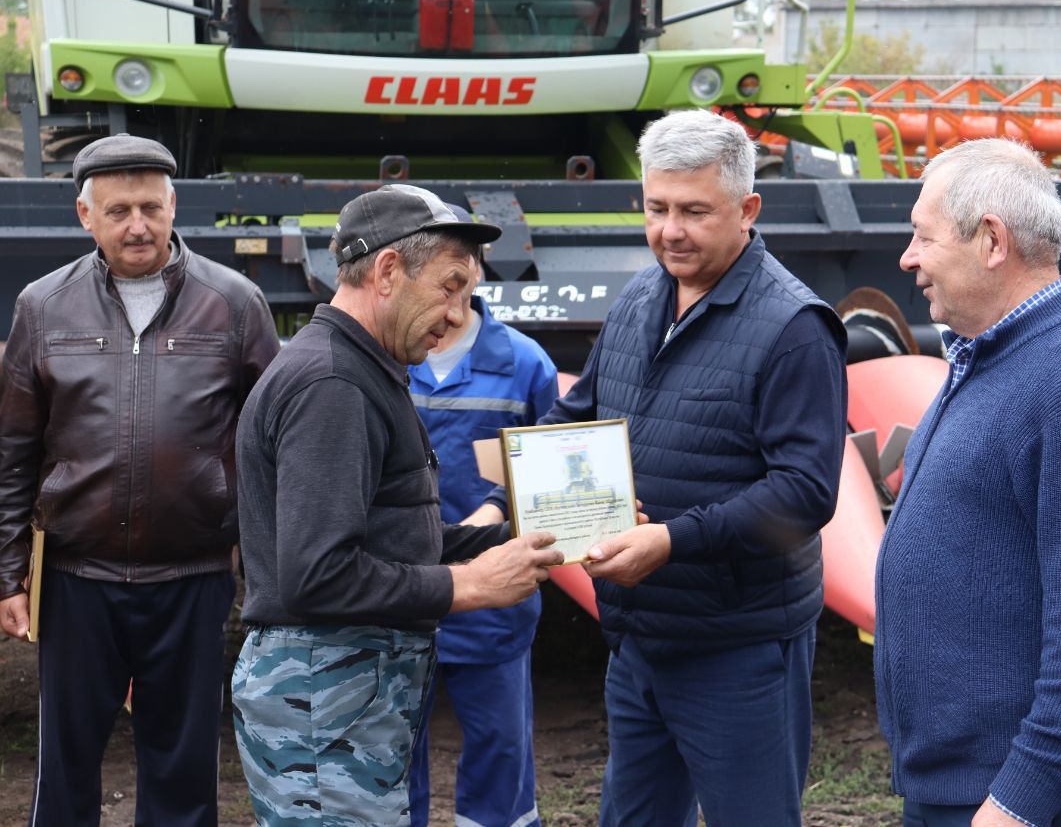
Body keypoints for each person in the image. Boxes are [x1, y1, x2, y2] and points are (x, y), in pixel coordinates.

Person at [472, 109, 848, 826]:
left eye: (694, 211)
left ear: (747, 209)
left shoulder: (795, 328)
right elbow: (579, 415)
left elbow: (804, 493)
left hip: (738, 647)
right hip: (640, 640)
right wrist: (502, 502)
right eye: (656, 208)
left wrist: (671, 540)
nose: (670, 230)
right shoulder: (643, 295)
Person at [232, 184, 564, 825]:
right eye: (449, 287)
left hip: (342, 701)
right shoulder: (333, 384)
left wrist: (534, 538)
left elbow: (398, 536)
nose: (457, 313)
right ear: (387, 271)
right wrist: (465, 587)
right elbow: (318, 574)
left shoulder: (362, 369)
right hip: (321, 706)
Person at [875, 138, 1061, 827]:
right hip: (968, 782)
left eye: (922, 236)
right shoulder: (991, 356)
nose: (907, 258)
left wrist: (1019, 799)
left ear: (991, 240)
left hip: (1027, 799)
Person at [0, 134, 280, 825]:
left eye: (151, 207)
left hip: (193, 574)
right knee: (65, 763)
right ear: (84, 215)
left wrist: (267, 568)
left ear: (173, 205)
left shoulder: (236, 303)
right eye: (119, 209)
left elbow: (273, 444)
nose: (138, 224)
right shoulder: (42, 306)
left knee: (182, 764)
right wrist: (9, 572)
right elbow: (13, 447)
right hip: (77, 576)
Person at [405, 255, 558, 827]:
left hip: (495, 597)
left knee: (500, 748)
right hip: (398, 595)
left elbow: (554, 473)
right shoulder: (382, 359)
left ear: (476, 272)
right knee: (391, 752)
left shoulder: (523, 365)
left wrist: (499, 506)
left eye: (457, 272)